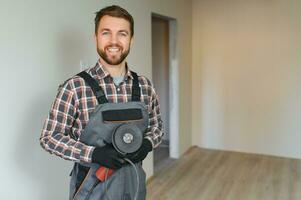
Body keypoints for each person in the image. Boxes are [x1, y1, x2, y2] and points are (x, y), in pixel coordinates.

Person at [40, 5, 163, 200]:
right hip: (92, 187)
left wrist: (147, 143)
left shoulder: (145, 86)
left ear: (131, 39)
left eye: (122, 34)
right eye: (106, 33)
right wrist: (93, 154)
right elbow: (49, 138)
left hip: (134, 184)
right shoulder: (75, 87)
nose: (114, 41)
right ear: (96, 37)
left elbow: (156, 127)